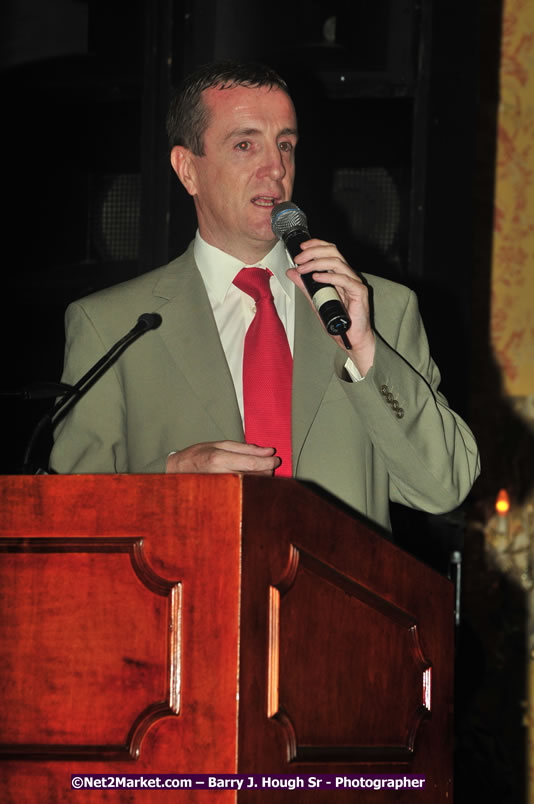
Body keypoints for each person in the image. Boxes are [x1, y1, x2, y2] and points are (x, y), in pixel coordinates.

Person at [50, 61, 480, 531]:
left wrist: (365, 351)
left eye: (285, 145)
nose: (275, 168)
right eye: (245, 145)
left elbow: (444, 487)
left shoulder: (380, 310)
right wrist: (170, 476)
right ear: (188, 169)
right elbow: (68, 516)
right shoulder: (111, 324)